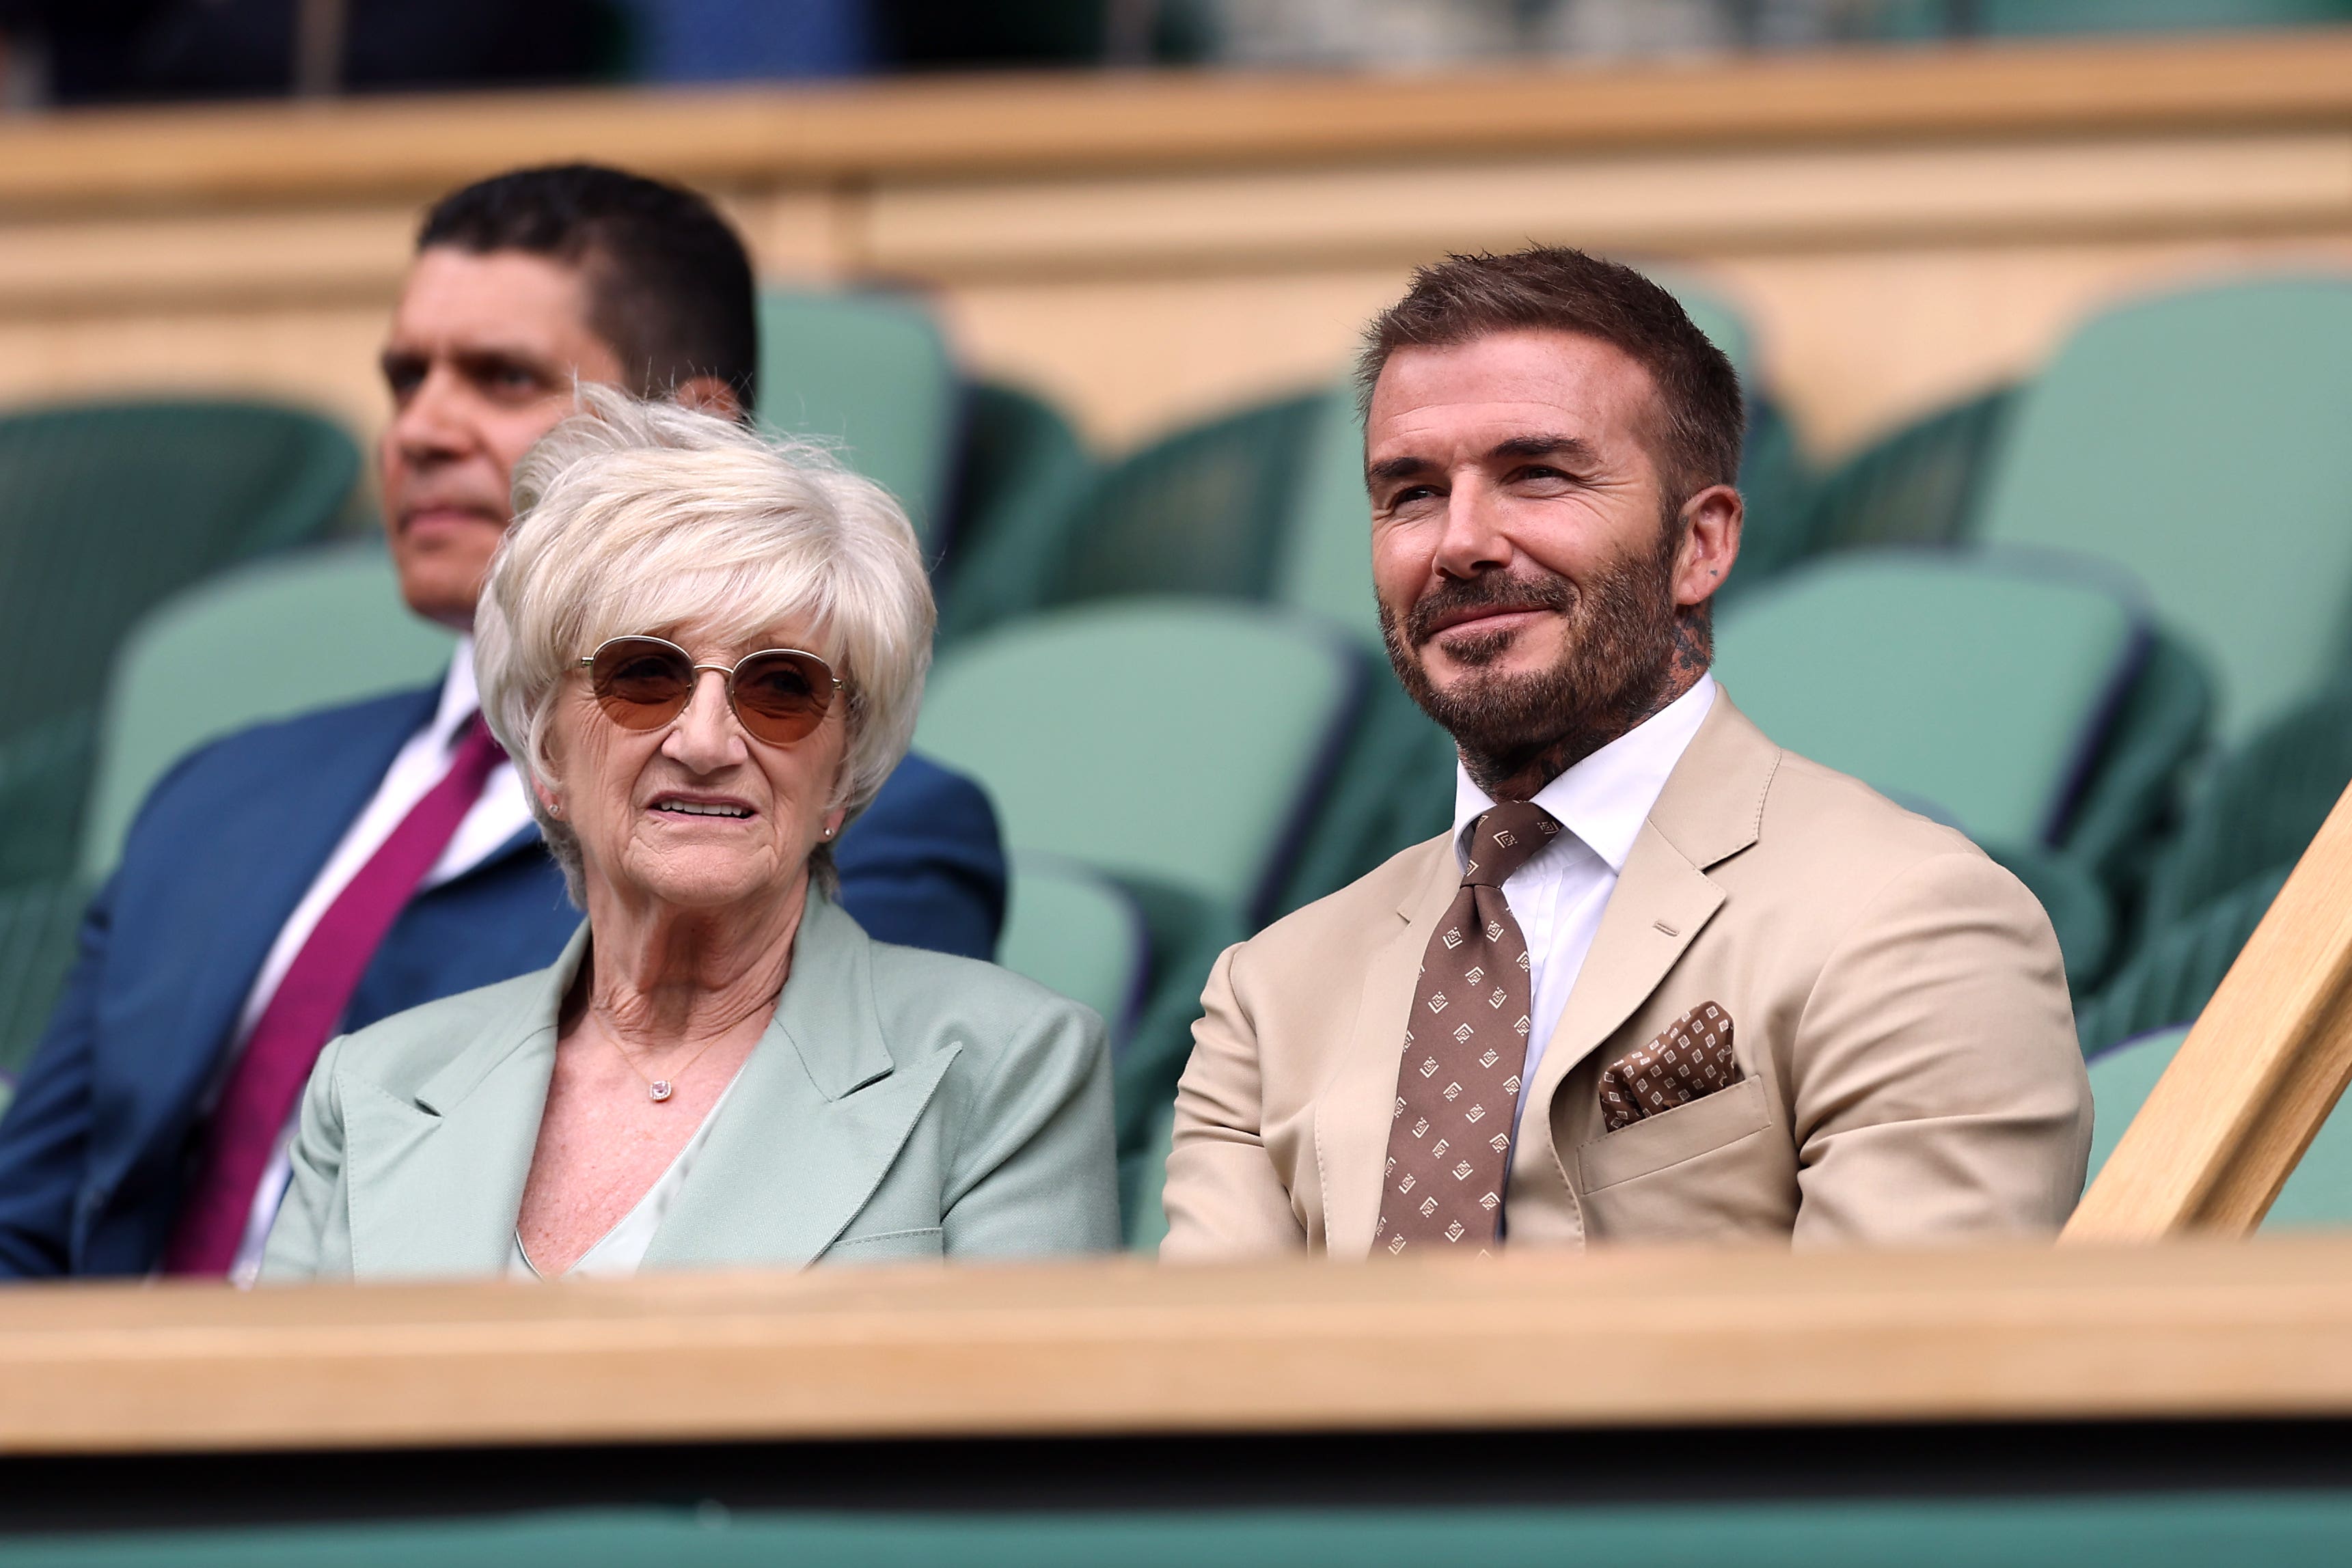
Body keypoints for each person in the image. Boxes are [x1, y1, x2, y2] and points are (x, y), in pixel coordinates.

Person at [0, 165, 1007, 1281]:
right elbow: (29, 1228)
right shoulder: (224, 791)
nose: (423, 429)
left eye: (501, 378)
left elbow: (783, 1240)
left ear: (690, 433)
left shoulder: (841, 821)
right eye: (405, 380)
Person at [1162, 247, 2092, 1258]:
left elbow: (1896, 1380)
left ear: (1702, 545)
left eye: (1538, 475)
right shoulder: (1267, 996)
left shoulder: (1911, 920)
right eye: (1412, 494)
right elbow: (1201, 1399)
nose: (1460, 542)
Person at [264, 389, 1116, 1279]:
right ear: (548, 750)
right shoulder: (373, 1087)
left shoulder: (1008, 1066)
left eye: (782, 689)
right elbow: (265, 1413)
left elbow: (1020, 1416)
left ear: (842, 770)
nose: (707, 742)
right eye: (643, 676)